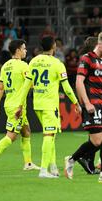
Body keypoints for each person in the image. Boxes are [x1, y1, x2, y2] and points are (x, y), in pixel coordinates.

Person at [16, 37, 81, 178]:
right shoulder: (57, 63)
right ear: (54, 46)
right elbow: (67, 88)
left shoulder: (33, 61)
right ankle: (43, 170)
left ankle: (53, 168)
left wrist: (20, 104)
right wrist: (76, 102)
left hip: (37, 104)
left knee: (51, 135)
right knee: (49, 135)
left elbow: (26, 86)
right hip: (49, 105)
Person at [64, 32, 102, 183]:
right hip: (92, 104)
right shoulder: (86, 59)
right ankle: (71, 159)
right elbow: (79, 82)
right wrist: (86, 103)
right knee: (96, 141)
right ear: (100, 44)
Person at [0, 40, 40, 172]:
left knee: (26, 131)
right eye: (24, 48)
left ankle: (28, 163)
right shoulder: (23, 66)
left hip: (9, 103)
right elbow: (30, 84)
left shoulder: (5, 66)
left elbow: (0, 88)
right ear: (18, 50)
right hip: (17, 106)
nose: (25, 51)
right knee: (11, 136)